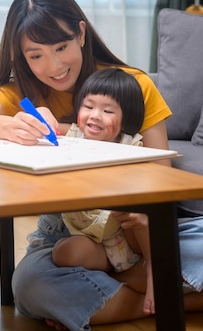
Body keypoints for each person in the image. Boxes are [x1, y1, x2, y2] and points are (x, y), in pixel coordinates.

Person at [0, 0, 203, 330]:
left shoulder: (132, 85)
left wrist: (142, 226)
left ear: (81, 33)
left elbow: (161, 173)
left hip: (134, 229)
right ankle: (175, 299)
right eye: (35, 56)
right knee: (27, 286)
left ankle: (107, 296)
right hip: (67, 234)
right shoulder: (23, 92)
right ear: (21, 57)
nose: (53, 66)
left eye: (61, 47)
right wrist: (6, 124)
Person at [52, 67, 156, 314]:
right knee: (62, 253)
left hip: (127, 238)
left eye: (107, 111)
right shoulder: (73, 136)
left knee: (137, 207)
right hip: (94, 242)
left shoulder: (131, 147)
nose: (94, 116)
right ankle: (119, 279)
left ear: (126, 118)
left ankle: (154, 270)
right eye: (88, 107)